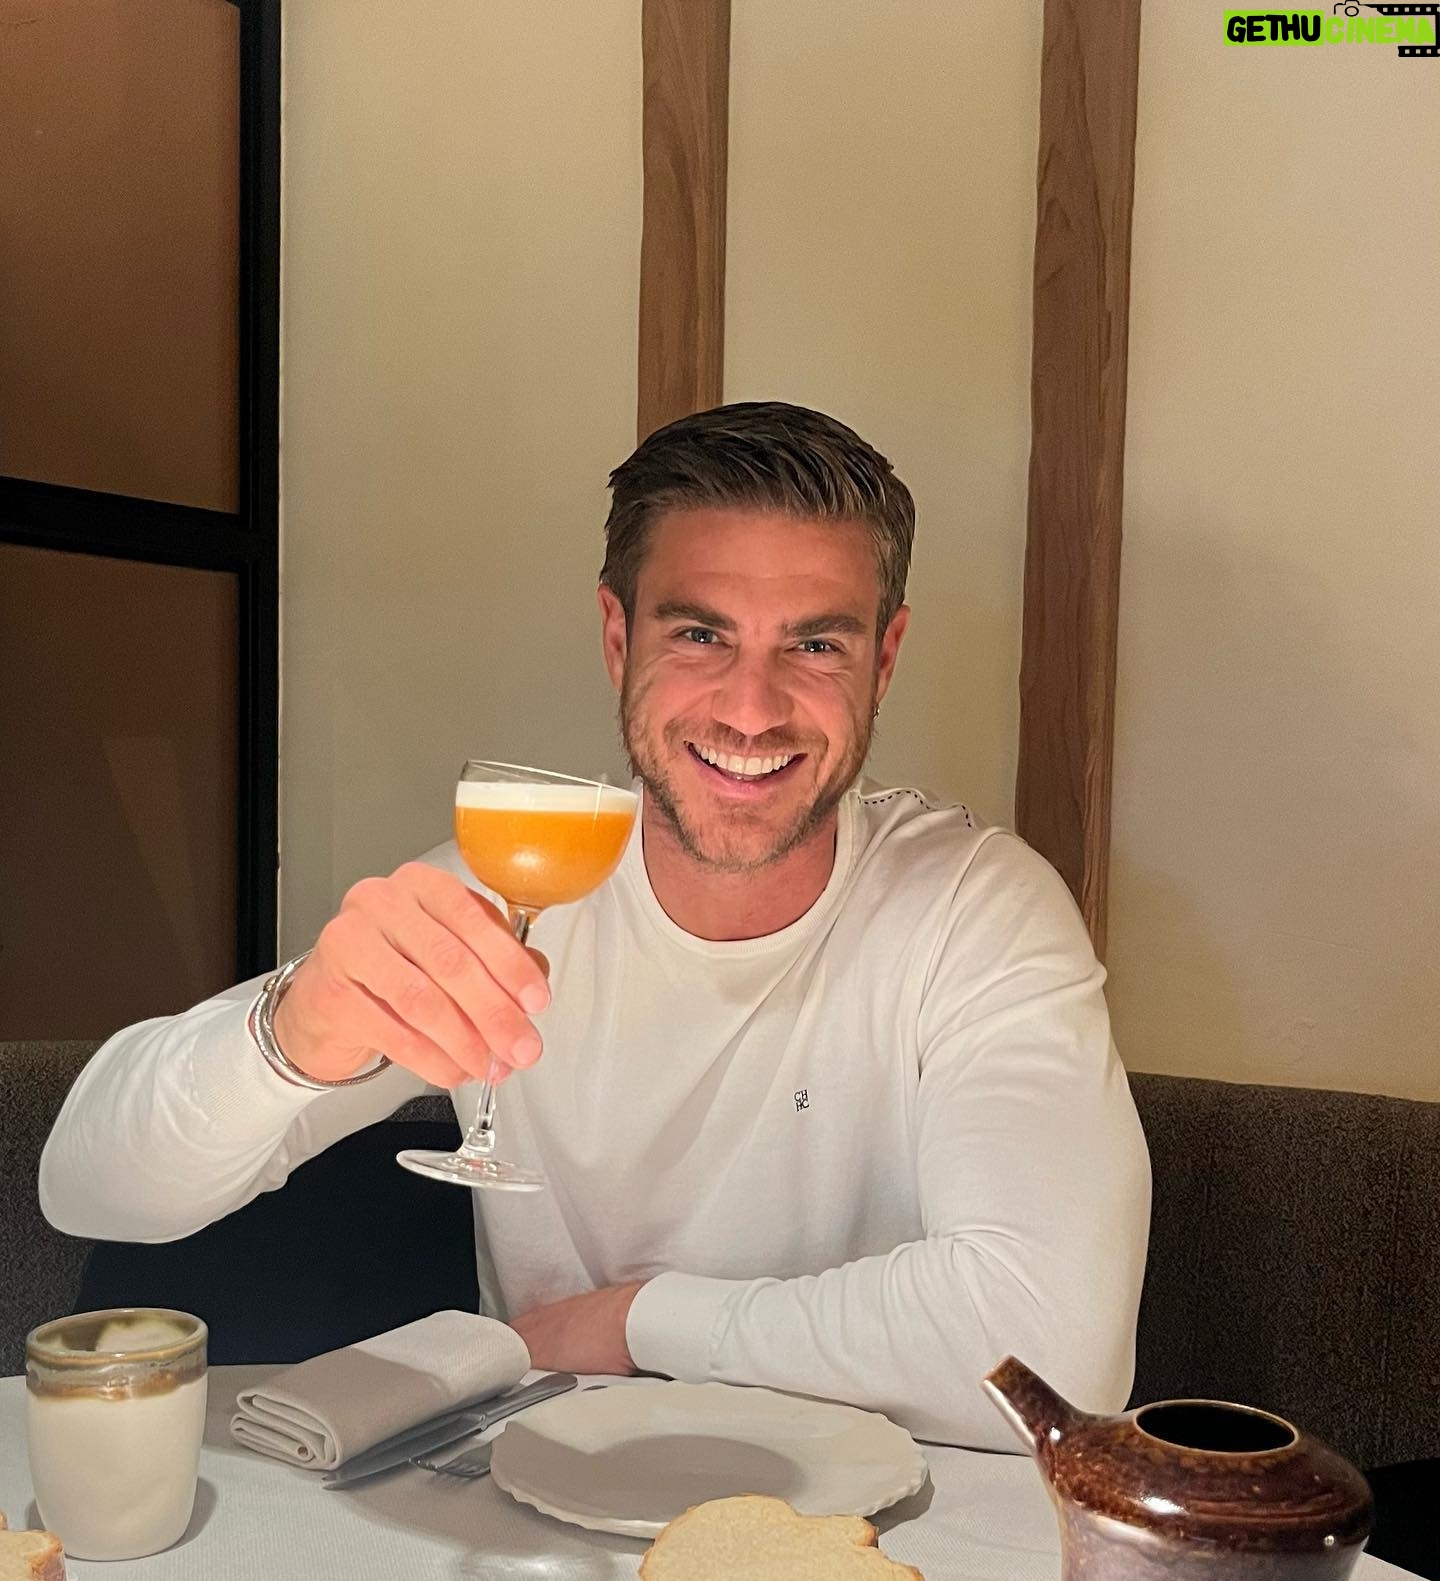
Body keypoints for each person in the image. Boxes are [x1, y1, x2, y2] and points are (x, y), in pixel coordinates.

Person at [40, 401, 1150, 1448]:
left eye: (816, 646)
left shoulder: (974, 911)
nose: (751, 709)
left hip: (880, 1528)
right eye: (701, 635)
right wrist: (294, 1034)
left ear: (884, 659)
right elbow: (90, 1187)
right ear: (619, 640)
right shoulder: (514, 888)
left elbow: (1059, 1352)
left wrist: (630, 1321)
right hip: (545, 1504)